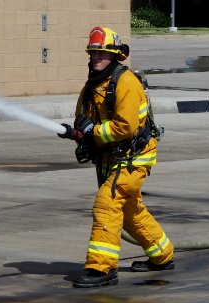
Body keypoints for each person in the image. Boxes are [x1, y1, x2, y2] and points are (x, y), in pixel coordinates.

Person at [58, 26, 174, 288]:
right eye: (93, 53)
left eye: (102, 53)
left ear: (115, 55)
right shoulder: (91, 87)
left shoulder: (126, 83)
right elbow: (83, 119)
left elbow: (126, 127)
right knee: (131, 211)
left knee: (107, 204)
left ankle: (102, 269)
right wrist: (80, 135)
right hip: (113, 158)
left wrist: (94, 133)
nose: (96, 58)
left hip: (135, 157)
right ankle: (162, 255)